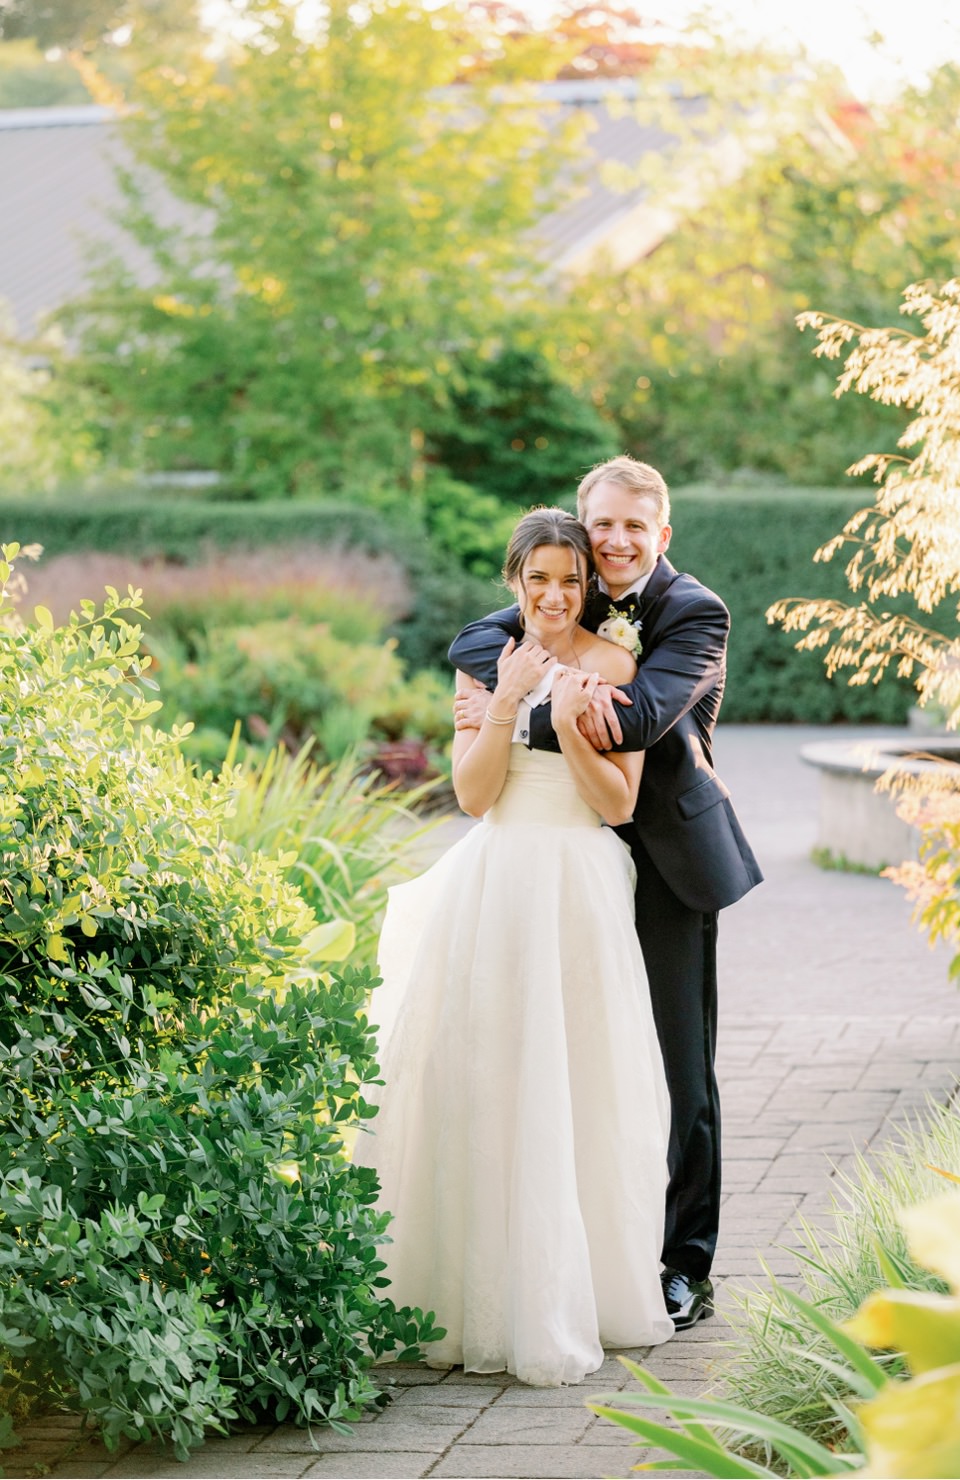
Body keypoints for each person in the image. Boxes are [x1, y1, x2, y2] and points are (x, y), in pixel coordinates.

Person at [358, 507, 674, 1384]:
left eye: (571, 580)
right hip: (497, 881)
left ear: (588, 585)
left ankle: (581, 1294)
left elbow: (618, 804)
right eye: (538, 579)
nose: (555, 595)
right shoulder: (484, 662)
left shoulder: (616, 666)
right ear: (515, 582)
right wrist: (505, 700)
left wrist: (570, 724)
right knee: (487, 1076)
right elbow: (473, 797)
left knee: (579, 1077)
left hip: (578, 880)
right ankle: (477, 1295)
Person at [450, 456, 761, 1332]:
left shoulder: (694, 610)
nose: (617, 540)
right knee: (583, 1060)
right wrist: (518, 679)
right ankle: (591, 1255)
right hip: (565, 860)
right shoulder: (570, 596)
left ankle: (685, 1266)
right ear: (583, 532)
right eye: (603, 525)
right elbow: (472, 640)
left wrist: (519, 703)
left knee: (677, 1067)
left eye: (634, 526)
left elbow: (640, 715)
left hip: (662, 857)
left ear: (662, 533)